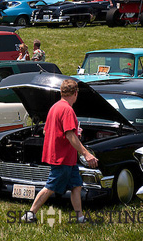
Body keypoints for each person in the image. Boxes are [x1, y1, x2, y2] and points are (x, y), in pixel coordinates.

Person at [21, 79, 98, 223]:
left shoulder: (55, 107)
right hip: (62, 157)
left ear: (61, 92)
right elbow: (69, 135)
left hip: (66, 157)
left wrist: (74, 134)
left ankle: (79, 217)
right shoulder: (68, 110)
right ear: (75, 93)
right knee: (50, 186)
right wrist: (86, 154)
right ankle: (30, 214)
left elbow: (46, 131)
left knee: (76, 185)